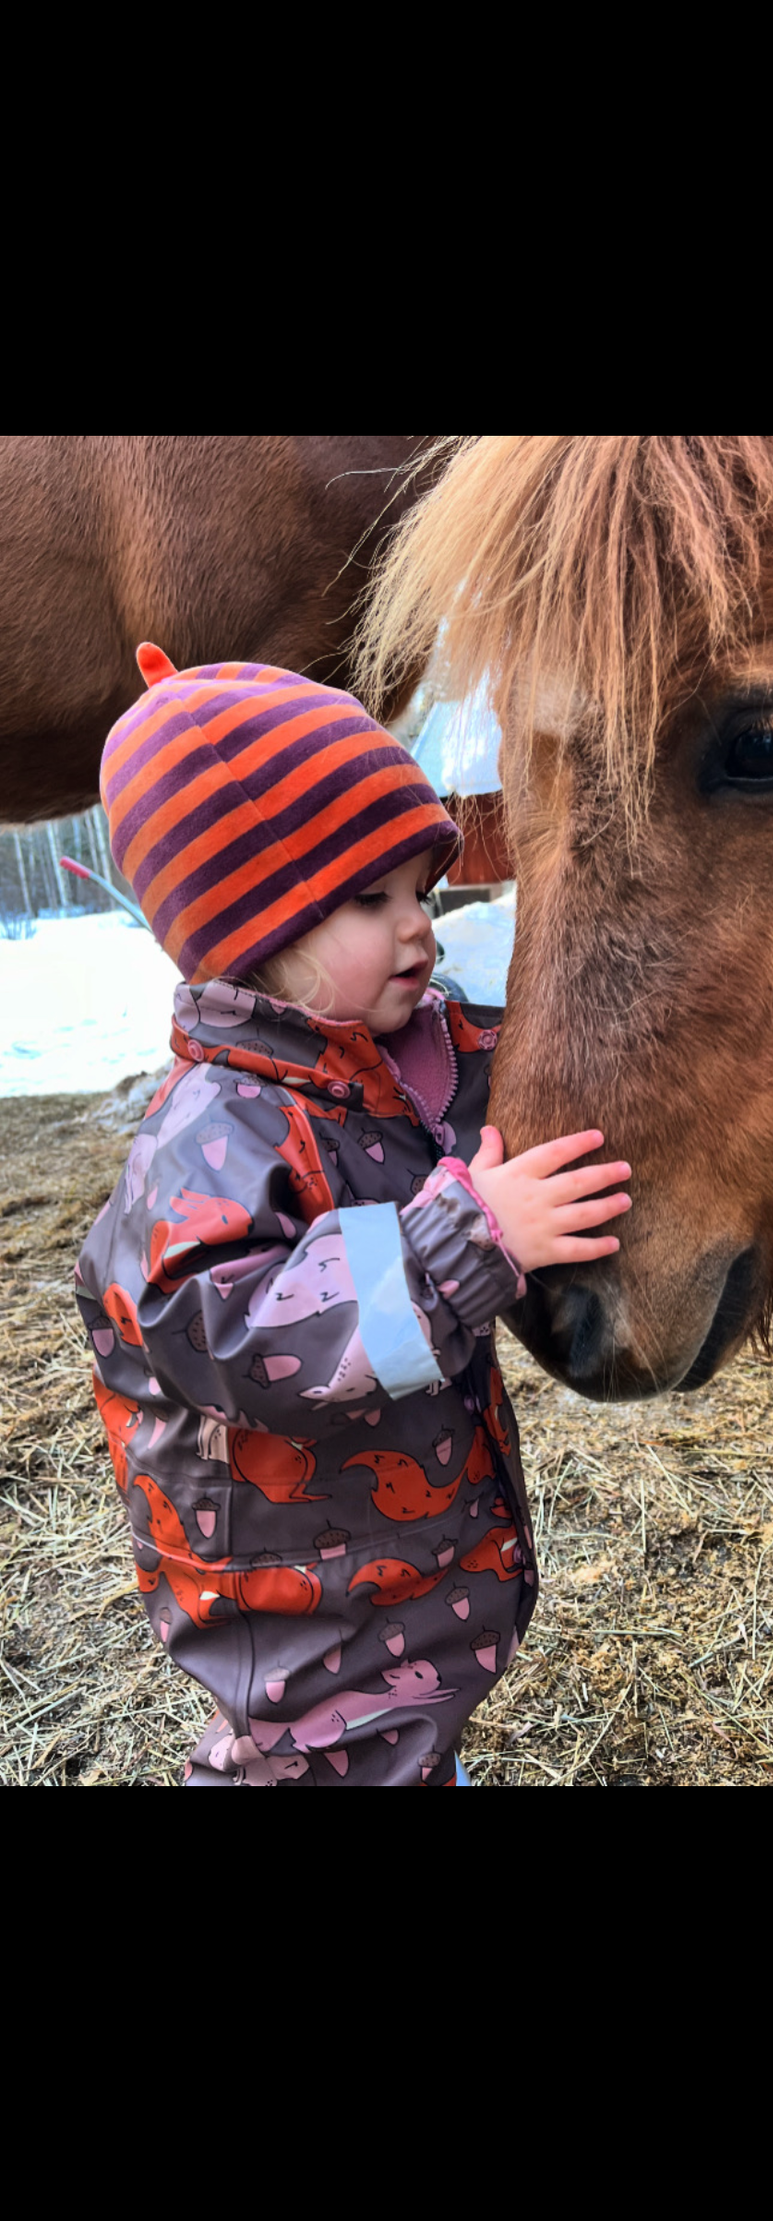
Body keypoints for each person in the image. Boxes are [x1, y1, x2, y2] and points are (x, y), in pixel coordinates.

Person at [74, 647, 631, 1785]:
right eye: (372, 899)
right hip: (300, 1621)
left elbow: (516, 1068)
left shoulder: (400, 1060)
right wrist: (472, 1240)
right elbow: (237, 1335)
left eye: (422, 889)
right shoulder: (214, 1131)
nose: (421, 926)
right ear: (257, 933)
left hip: (401, 1586)